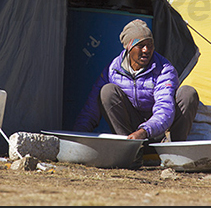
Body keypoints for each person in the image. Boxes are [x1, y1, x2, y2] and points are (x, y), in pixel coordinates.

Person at [73, 19, 199, 166]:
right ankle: (130, 154)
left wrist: (144, 131)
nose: (146, 50)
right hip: (130, 137)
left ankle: (174, 155)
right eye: (141, 46)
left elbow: (164, 109)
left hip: (158, 133)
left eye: (150, 45)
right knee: (107, 91)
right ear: (128, 47)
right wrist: (77, 139)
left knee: (188, 93)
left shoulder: (164, 69)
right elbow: (91, 109)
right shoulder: (113, 70)